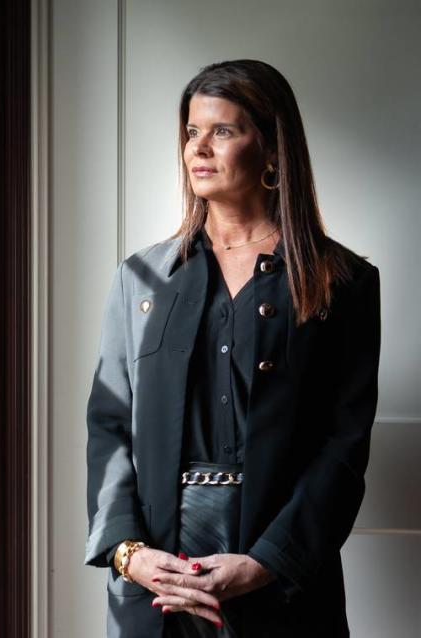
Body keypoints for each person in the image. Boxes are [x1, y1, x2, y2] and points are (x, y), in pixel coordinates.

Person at [83, 59, 382, 637]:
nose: (200, 148)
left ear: (272, 149)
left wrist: (269, 561)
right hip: (155, 580)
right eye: (193, 132)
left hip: (282, 579)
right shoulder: (140, 279)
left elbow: (344, 444)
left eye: (223, 131)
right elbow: (109, 426)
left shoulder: (340, 281)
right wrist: (128, 552)